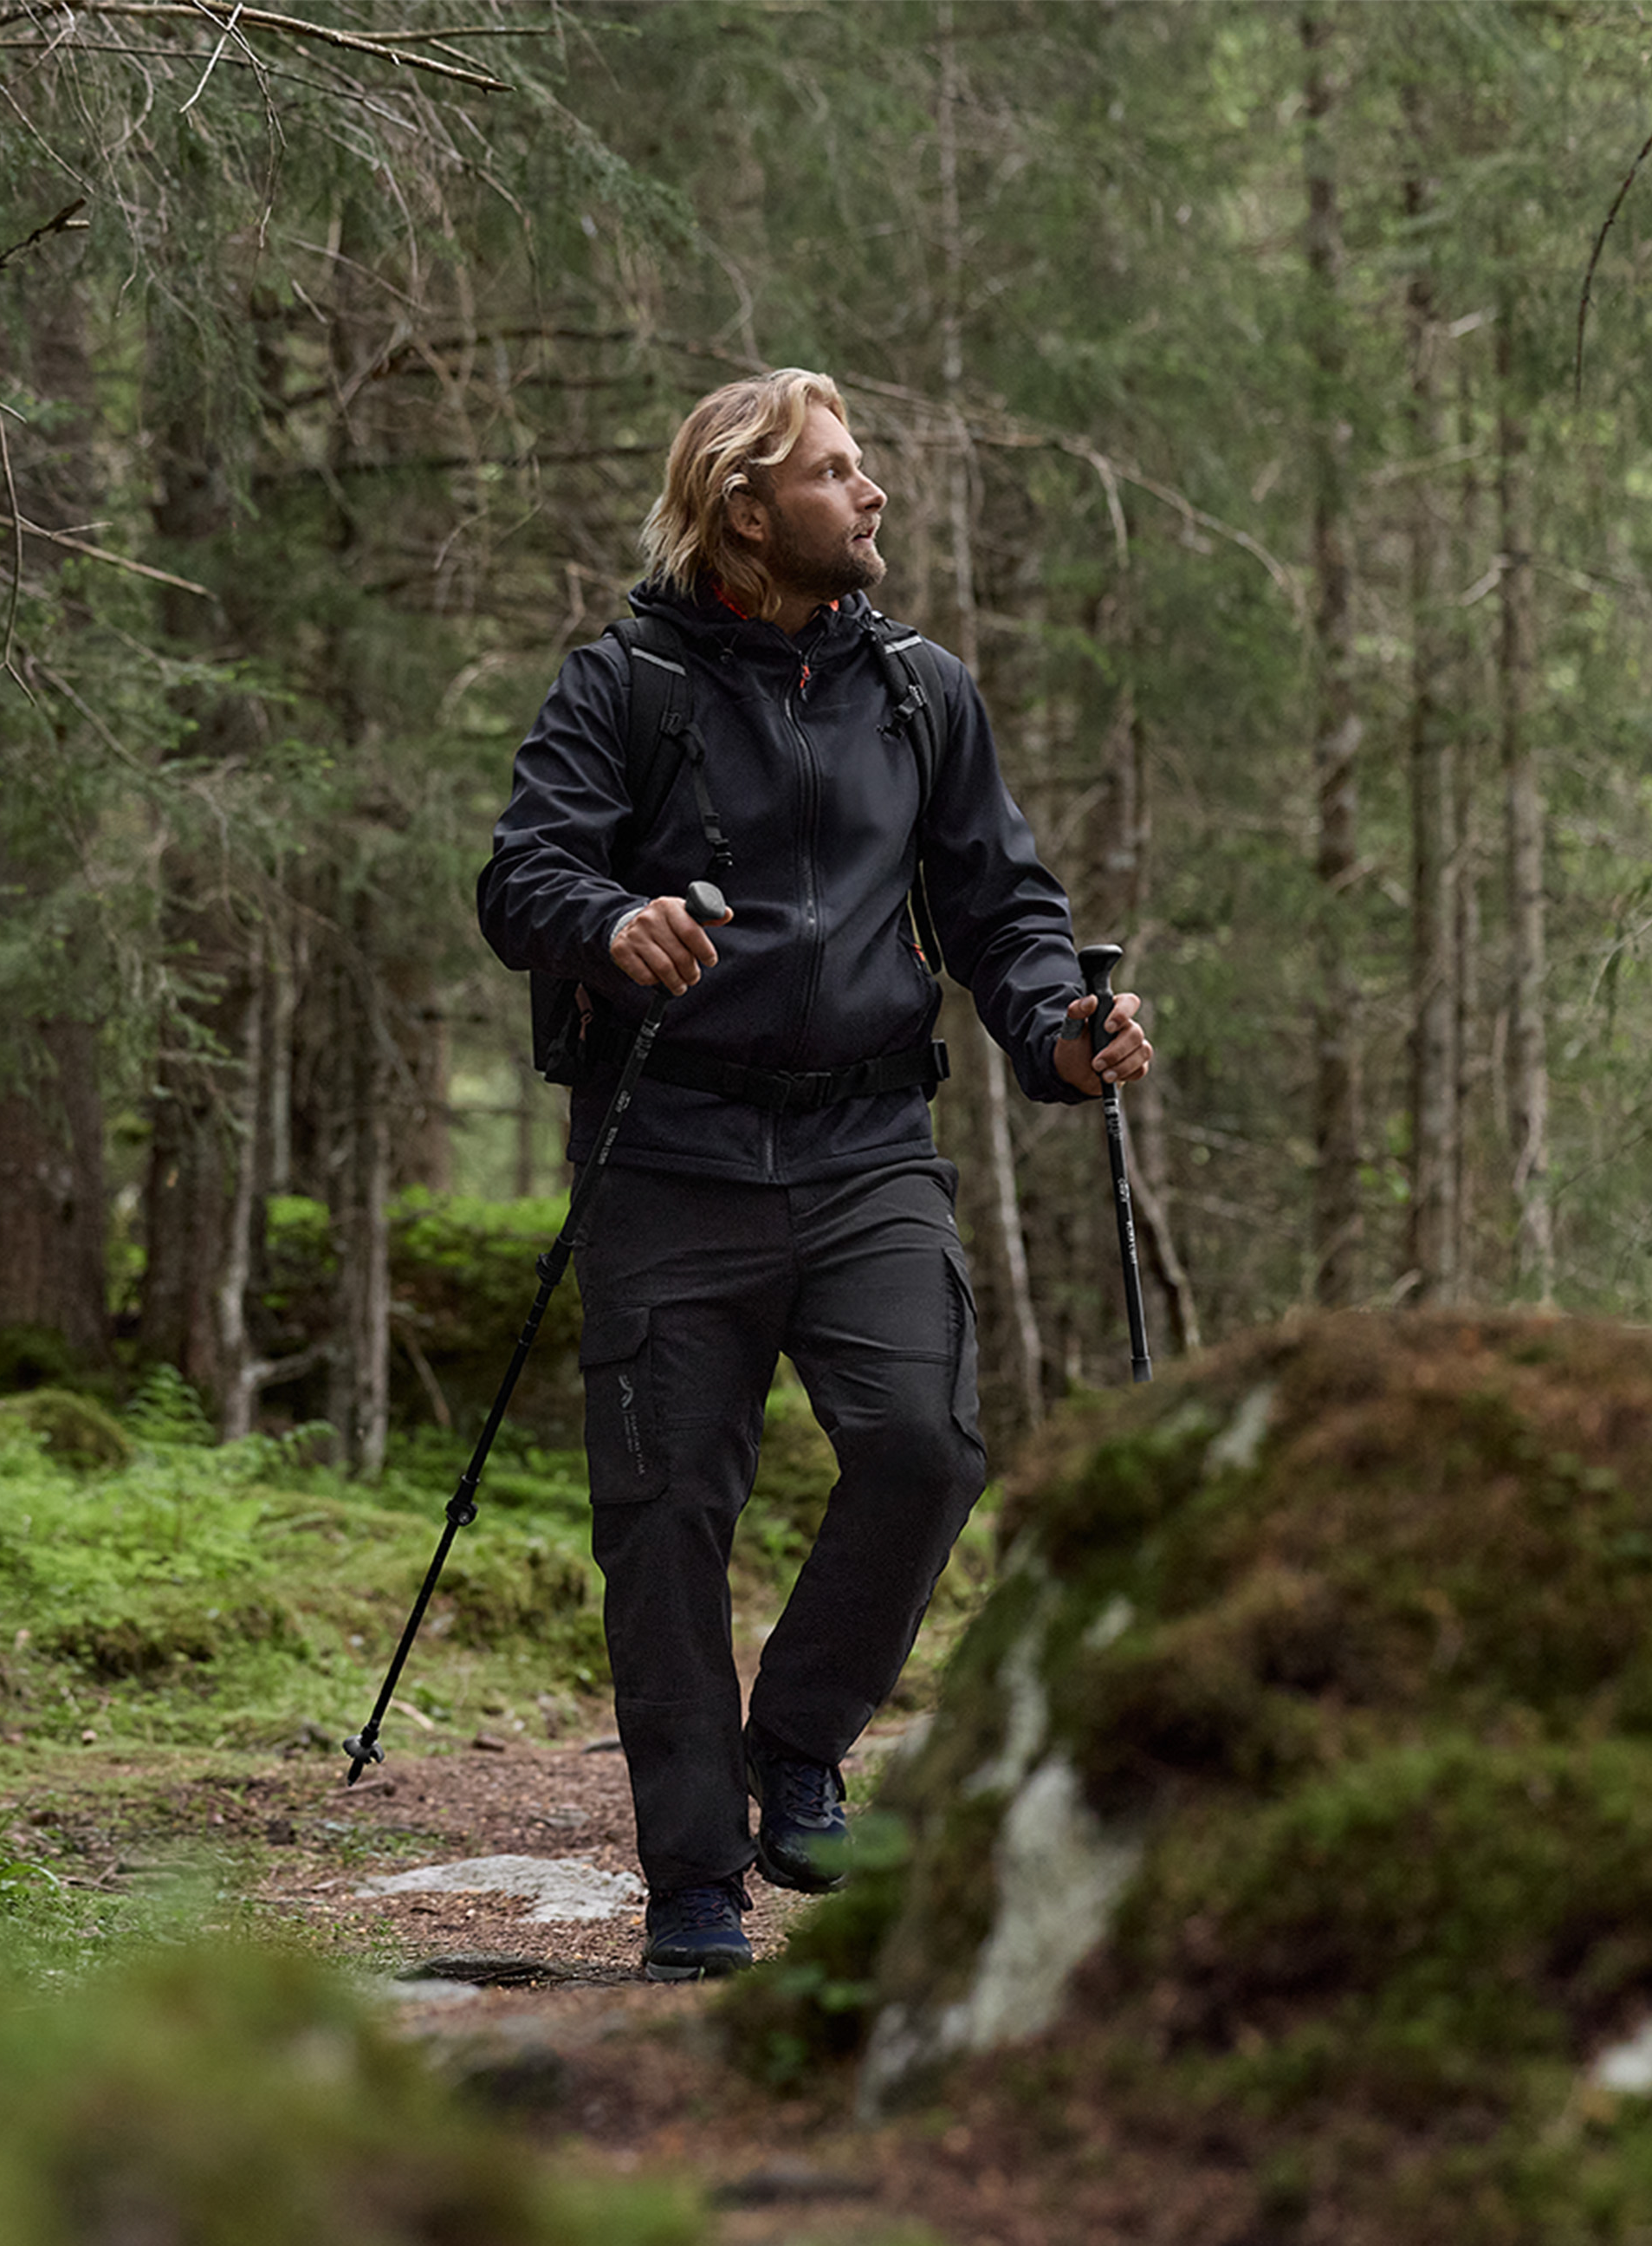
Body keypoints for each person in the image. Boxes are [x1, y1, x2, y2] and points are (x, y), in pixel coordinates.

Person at [476, 368, 1152, 1980]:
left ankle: (800, 1748)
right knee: (665, 1522)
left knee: (923, 1448)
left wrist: (1063, 1029)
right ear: (744, 507)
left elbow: (1002, 908)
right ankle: (694, 1878)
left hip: (865, 1147)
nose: (874, 495)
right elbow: (524, 873)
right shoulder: (622, 684)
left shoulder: (920, 693)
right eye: (839, 473)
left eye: (866, 468)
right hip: (667, 1154)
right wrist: (607, 920)